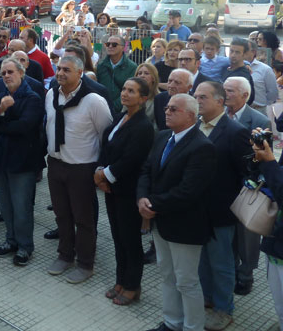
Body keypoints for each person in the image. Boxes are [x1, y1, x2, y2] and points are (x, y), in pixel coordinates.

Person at [137, 93, 216, 331]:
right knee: (168, 276)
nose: (167, 112)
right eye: (167, 108)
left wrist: (152, 204)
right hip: (160, 221)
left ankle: (192, 327)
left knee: (187, 281)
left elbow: (188, 191)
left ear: (191, 116)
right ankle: (172, 323)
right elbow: (146, 170)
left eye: (174, 109)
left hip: (185, 226)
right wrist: (142, 198)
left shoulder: (202, 147)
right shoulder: (162, 137)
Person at [45, 55, 112, 283]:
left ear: (80, 73)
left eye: (67, 70)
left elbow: (106, 135)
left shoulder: (94, 101)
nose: (60, 73)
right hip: (55, 165)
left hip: (82, 169)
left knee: (83, 219)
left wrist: (101, 169)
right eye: (59, 68)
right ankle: (65, 255)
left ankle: (85, 263)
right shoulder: (51, 94)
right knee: (62, 214)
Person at [193, 81, 252, 331]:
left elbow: (246, 173)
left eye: (203, 97)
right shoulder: (195, 126)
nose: (197, 101)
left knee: (222, 261)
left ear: (220, 101)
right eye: (195, 96)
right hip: (195, 208)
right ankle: (208, 298)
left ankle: (224, 309)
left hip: (221, 210)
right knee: (202, 259)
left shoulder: (235, 131)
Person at [95, 77, 154, 306]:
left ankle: (132, 286)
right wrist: (99, 171)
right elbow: (106, 147)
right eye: (124, 89)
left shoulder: (143, 126)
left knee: (130, 240)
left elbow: (132, 159)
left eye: (132, 91)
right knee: (118, 237)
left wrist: (105, 175)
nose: (125, 94)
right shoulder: (120, 118)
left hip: (128, 190)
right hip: (111, 189)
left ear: (143, 98)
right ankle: (120, 280)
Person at [0, 58, 43, 266]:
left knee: (21, 207)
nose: (6, 76)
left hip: (22, 162)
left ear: (21, 73)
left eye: (10, 72)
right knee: (5, 205)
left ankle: (25, 246)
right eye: (3, 73)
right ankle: (11, 240)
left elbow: (25, 126)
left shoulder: (32, 98)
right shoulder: (1, 96)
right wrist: (0, 111)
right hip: (1, 160)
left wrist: (0, 125)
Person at [224, 75, 270, 297]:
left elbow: (262, 159)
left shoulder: (260, 121)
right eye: (224, 90)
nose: (225, 95)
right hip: (222, 186)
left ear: (244, 95)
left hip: (246, 189)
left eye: (230, 91)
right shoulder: (218, 115)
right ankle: (231, 271)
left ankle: (246, 275)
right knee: (228, 235)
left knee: (247, 238)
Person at [249, 132, 283, 328]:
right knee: (279, 307)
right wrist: (258, 157)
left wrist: (269, 161)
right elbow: (267, 181)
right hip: (275, 246)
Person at [96, 34, 137, 113]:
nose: (110, 46)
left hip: (122, 110)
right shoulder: (101, 66)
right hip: (102, 109)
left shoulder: (132, 67)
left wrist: (113, 107)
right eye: (108, 44)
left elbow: (130, 92)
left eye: (114, 45)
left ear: (122, 47)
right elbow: (98, 88)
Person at [221, 37, 256, 106]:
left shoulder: (243, 75)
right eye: (231, 51)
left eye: (237, 52)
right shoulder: (225, 68)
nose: (233, 55)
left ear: (244, 54)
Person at [248, 39, 278, 114]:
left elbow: (272, 93)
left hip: (258, 110)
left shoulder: (265, 69)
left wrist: (262, 105)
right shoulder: (232, 68)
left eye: (245, 50)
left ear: (253, 52)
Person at [136, 63, 161, 132]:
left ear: (153, 78)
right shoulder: (130, 96)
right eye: (139, 73)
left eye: (146, 73)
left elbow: (157, 127)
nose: (142, 76)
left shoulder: (159, 98)